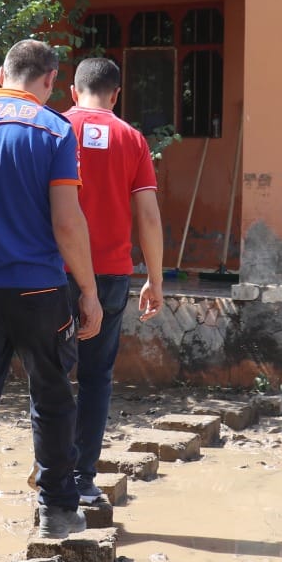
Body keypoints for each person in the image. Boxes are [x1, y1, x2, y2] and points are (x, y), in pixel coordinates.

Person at [0, 40, 102, 562]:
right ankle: (57, 509)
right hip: (39, 290)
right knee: (53, 396)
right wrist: (88, 289)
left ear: (0, 73)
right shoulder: (55, 130)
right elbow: (66, 220)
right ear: (52, 80)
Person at [64, 57, 164, 502]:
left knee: (49, 373)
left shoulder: (53, 128)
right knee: (96, 376)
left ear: (72, 90)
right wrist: (155, 278)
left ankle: (50, 471)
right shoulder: (133, 139)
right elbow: (148, 216)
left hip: (56, 270)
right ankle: (82, 479)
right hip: (111, 273)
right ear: (116, 94)